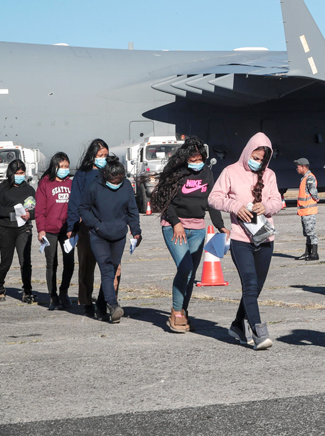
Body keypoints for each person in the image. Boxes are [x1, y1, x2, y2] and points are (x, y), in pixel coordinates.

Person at [209, 133, 282, 349]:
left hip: (265, 238)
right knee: (249, 284)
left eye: (262, 159)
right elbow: (213, 198)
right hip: (241, 239)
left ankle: (237, 326)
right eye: (255, 157)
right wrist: (234, 207)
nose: (258, 162)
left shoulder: (269, 175)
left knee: (255, 289)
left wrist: (266, 207)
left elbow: (278, 201)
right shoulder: (230, 171)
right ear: (247, 151)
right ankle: (259, 332)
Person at [150, 137, 229, 333]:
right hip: (174, 226)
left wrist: (220, 226)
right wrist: (176, 223)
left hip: (198, 228)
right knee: (184, 267)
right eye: (192, 160)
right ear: (185, 158)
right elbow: (165, 201)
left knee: (191, 272)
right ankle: (176, 311)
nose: (195, 163)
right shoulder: (176, 173)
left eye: (199, 159)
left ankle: (183, 311)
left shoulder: (207, 173)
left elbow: (212, 201)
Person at [78, 156, 141, 324]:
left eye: (119, 178)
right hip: (99, 235)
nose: (116, 182)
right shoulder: (94, 187)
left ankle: (100, 304)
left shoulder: (126, 186)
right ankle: (113, 306)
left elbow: (132, 211)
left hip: (119, 235)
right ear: (105, 175)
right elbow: (83, 209)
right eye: (113, 179)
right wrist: (96, 225)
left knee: (112, 270)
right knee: (106, 269)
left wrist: (136, 231)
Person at [67, 139, 110, 317]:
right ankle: (86, 301)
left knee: (109, 267)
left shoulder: (109, 173)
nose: (103, 159)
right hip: (85, 226)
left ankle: (103, 301)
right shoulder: (82, 175)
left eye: (106, 156)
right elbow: (74, 201)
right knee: (86, 265)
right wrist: (72, 225)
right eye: (100, 156)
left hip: (107, 224)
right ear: (92, 156)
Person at [0, 160, 36, 303]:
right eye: (17, 173)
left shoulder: (29, 190)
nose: (19, 175)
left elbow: (36, 209)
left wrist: (30, 214)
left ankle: (27, 290)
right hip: (6, 228)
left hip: (24, 228)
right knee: (6, 261)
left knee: (25, 261)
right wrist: (13, 210)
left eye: (22, 173)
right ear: (11, 173)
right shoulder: (2, 188)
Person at [36, 152, 75, 310]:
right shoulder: (45, 183)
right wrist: (41, 229)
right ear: (55, 166)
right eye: (62, 166)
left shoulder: (71, 184)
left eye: (67, 166)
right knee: (52, 263)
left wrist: (74, 227)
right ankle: (53, 296)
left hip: (67, 231)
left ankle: (64, 291)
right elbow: (39, 209)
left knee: (70, 262)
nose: (65, 169)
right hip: (49, 231)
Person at [295, 158, 319, 261]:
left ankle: (314, 254)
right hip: (304, 210)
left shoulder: (309, 178)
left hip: (309, 210)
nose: (297, 169)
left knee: (311, 232)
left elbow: (313, 191)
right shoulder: (305, 178)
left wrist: (316, 198)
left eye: (298, 167)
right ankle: (308, 252)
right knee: (307, 232)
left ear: (303, 167)